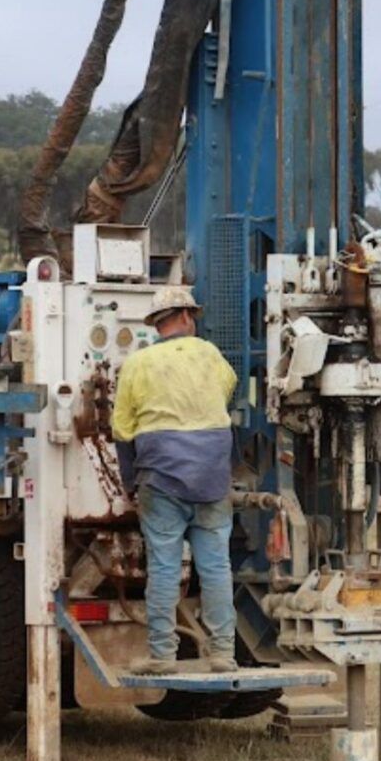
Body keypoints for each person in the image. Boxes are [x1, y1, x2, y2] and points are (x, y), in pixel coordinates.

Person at [112, 286, 239, 675]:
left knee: (165, 568)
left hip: (162, 479)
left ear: (156, 324)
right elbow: (227, 392)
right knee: (216, 567)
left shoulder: (137, 364)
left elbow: (122, 430)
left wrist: (131, 482)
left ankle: (163, 656)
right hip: (212, 478)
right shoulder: (210, 355)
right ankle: (222, 654)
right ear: (186, 317)